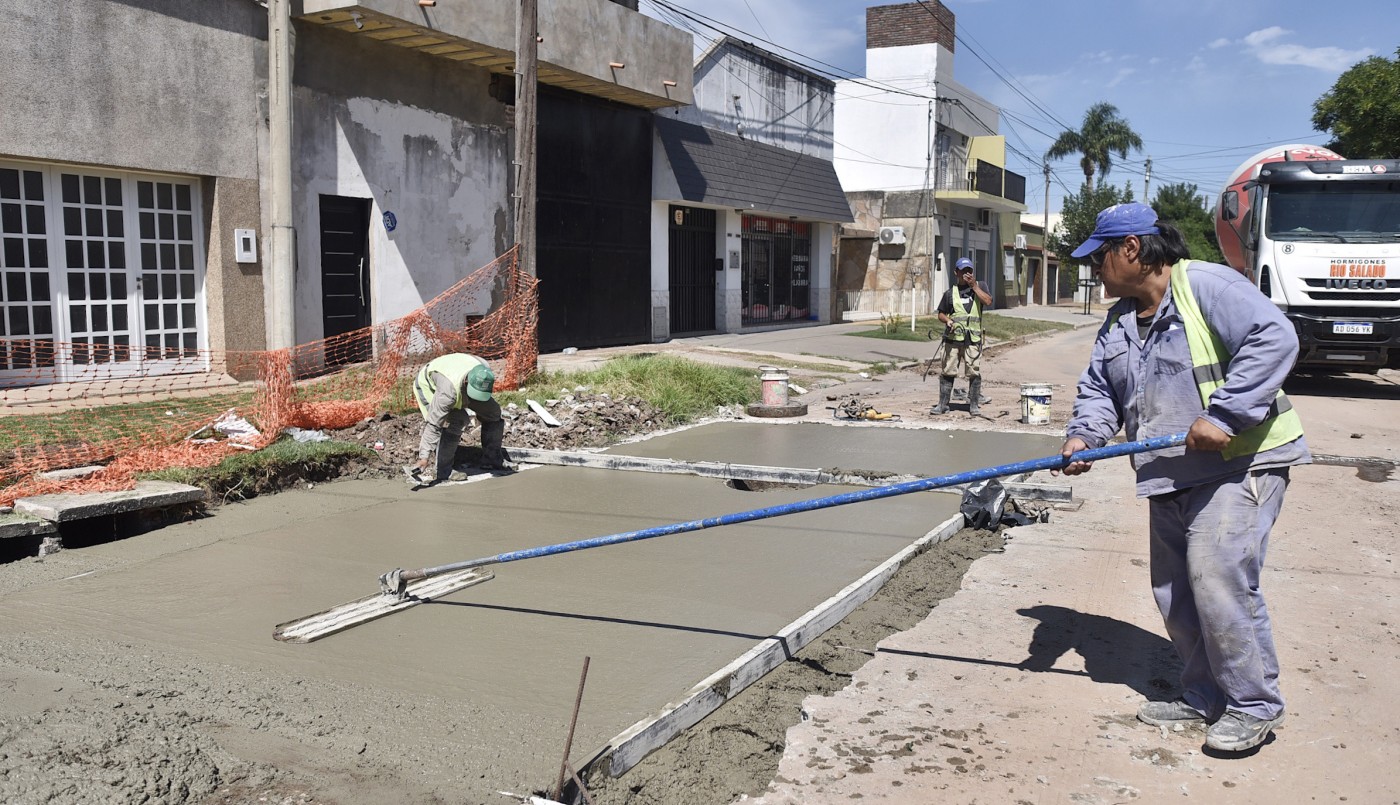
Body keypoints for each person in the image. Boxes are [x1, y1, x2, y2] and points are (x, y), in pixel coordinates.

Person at [1057, 202, 1310, 753]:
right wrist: (1084, 437)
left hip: (1240, 463)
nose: (1094, 269)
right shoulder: (1120, 318)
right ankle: (1206, 695)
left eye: (1098, 257)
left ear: (1131, 249)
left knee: (1217, 580)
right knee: (1175, 592)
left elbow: (1276, 338)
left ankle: (1253, 705)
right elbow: (1102, 389)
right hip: (1168, 473)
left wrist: (1225, 415)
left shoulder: (1207, 286)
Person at [405, 353, 510, 485]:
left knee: (493, 412)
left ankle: (492, 460)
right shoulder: (447, 394)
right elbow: (433, 425)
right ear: (467, 382)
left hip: (460, 383)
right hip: (430, 385)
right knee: (458, 419)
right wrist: (423, 457)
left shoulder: (484, 371)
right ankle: (443, 471)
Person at [931, 257, 993, 416]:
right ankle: (943, 404)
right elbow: (941, 314)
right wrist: (948, 320)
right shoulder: (950, 293)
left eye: (969, 270)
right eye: (963, 271)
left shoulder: (981, 286)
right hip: (953, 339)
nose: (967, 273)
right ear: (956, 273)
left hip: (972, 339)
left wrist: (974, 287)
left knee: (973, 371)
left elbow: (987, 301)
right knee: (948, 370)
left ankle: (974, 405)